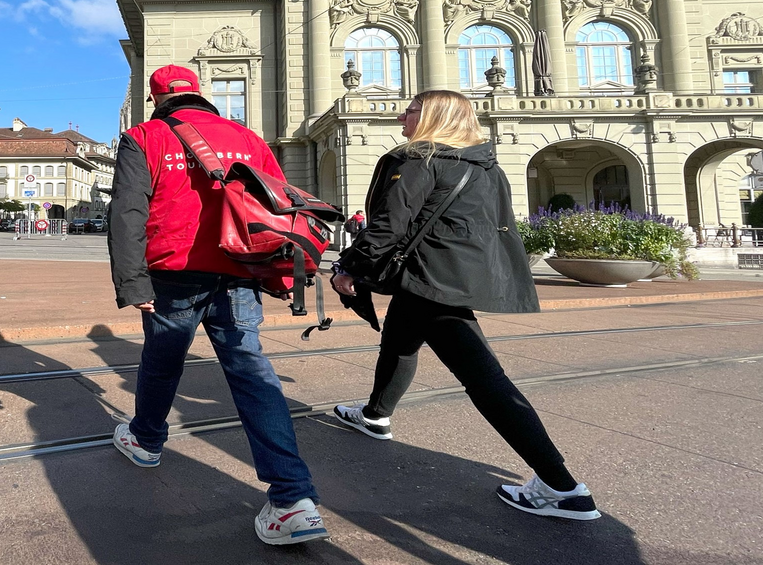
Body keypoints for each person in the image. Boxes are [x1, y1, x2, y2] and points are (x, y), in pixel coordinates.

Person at [329, 90, 601, 522]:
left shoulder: (421, 160)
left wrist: (350, 266)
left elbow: (389, 224)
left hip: (433, 281)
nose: (403, 114)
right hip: (450, 275)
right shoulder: (486, 166)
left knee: (484, 378)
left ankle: (561, 486)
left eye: (412, 109)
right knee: (399, 340)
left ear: (434, 115)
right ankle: (374, 415)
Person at [107, 64, 329, 546]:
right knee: (252, 372)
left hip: (173, 272)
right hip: (238, 269)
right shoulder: (246, 137)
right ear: (200, 93)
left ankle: (146, 440)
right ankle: (293, 500)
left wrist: (132, 283)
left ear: (156, 98)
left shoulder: (143, 136)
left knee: (163, 363)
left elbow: (127, 212)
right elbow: (278, 205)